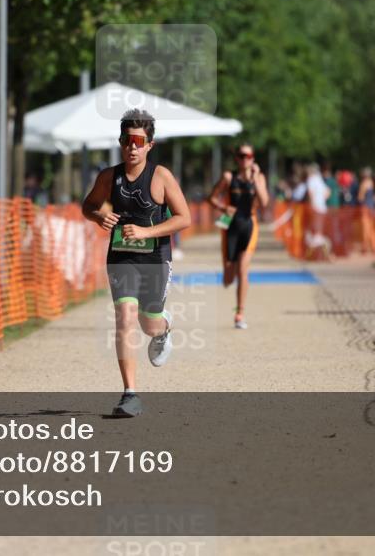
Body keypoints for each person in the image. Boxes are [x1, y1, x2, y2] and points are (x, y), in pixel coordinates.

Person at [82, 109, 190, 417]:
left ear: (149, 145)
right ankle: (130, 394)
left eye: (138, 141)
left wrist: (146, 231)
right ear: (120, 142)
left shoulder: (161, 177)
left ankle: (164, 327)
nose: (132, 147)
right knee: (125, 318)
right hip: (121, 256)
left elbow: (185, 218)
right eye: (127, 140)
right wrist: (99, 215)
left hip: (155, 258)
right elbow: (88, 205)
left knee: (148, 323)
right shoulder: (109, 177)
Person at [208, 144, 269, 329]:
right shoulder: (228, 177)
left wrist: (256, 178)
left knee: (243, 269)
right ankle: (229, 272)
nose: (245, 159)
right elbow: (211, 198)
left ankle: (239, 313)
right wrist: (222, 207)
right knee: (228, 279)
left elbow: (265, 202)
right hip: (230, 225)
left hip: (249, 225)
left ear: (253, 158)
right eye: (242, 156)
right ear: (237, 158)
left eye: (249, 156)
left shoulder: (259, 178)